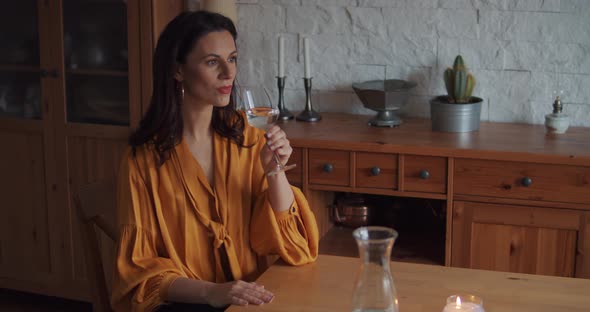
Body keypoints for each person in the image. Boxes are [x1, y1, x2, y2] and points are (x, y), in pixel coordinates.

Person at [111, 11, 319, 312]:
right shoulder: (142, 162)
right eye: (212, 62)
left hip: (248, 298)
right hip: (183, 302)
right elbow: (139, 273)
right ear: (178, 70)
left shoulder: (246, 138)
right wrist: (212, 292)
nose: (229, 73)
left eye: (232, 59)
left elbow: (294, 247)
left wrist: (275, 172)